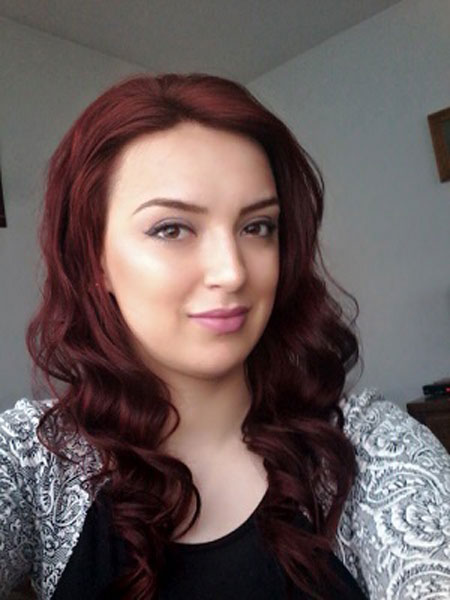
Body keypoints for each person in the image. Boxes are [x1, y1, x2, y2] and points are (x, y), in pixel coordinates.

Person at [0, 73, 449, 600]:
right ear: (94, 261)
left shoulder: (367, 447)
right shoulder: (38, 455)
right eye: (172, 228)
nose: (232, 271)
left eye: (256, 227)